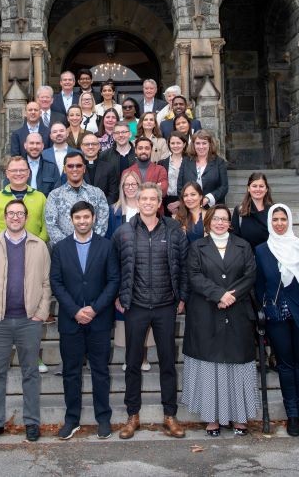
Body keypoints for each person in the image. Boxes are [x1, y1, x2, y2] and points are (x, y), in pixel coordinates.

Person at [112, 183, 188, 440]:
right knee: (132, 363)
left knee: (168, 362)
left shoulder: (175, 230)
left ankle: (170, 416)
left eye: (152, 199)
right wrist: (118, 296)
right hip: (136, 306)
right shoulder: (123, 232)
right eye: (143, 198)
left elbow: (184, 265)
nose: (147, 202)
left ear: (159, 203)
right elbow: (114, 269)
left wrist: (182, 297)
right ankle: (132, 416)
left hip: (166, 305)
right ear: (137, 201)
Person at [0, 199, 51, 445]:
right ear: (5, 217)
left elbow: (46, 283)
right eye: (11, 213)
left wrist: (40, 312)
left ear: (26, 217)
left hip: (29, 321)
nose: (15, 217)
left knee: (31, 373)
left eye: (20, 213)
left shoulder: (39, 245)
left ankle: (31, 422)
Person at [182, 204, 259, 436]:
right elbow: (194, 275)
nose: (219, 223)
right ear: (208, 222)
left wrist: (230, 296)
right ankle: (212, 418)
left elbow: (250, 275)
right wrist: (218, 294)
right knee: (210, 366)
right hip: (207, 312)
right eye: (215, 219)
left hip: (237, 312)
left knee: (237, 364)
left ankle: (239, 417)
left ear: (230, 223)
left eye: (224, 219)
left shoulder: (243, 246)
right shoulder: (197, 247)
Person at [50, 201, 120, 440]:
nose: (82, 221)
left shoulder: (106, 246)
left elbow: (113, 281)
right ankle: (72, 419)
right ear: (72, 220)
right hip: (71, 322)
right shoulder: (60, 248)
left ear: (93, 218)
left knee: (100, 371)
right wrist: (74, 310)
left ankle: (103, 418)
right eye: (77, 217)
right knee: (71, 372)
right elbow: (56, 283)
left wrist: (95, 308)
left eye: (86, 217)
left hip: (98, 320)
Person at [255, 204, 299, 438]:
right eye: (274, 219)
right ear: (269, 222)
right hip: (277, 318)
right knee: (285, 367)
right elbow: (260, 287)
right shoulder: (263, 250)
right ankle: (292, 416)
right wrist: (262, 312)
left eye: (283, 219)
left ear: (289, 221)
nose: (279, 223)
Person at [107, 171, 156, 371]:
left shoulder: (148, 208)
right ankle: (130, 357)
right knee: (128, 316)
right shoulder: (115, 210)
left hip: (148, 270)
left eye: (134, 183)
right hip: (123, 268)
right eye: (126, 184)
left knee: (145, 314)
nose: (130, 187)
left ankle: (143, 356)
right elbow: (111, 241)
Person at [45, 151, 109, 245]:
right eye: (70, 166)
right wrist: (69, 247)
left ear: (84, 168)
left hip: (93, 249)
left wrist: (89, 244)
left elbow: (102, 223)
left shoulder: (98, 193)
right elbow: (51, 226)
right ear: (64, 169)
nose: (74, 169)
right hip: (64, 251)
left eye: (78, 165)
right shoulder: (54, 196)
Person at [0, 156, 48, 242]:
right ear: (7, 174)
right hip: (3, 250)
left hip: (34, 249)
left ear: (28, 173)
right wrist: (0, 243)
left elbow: (47, 226)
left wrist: (37, 243)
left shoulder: (40, 197)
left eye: (22, 170)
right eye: (13, 170)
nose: (18, 173)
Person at [178, 129, 228, 208]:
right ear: (193, 145)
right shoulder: (186, 161)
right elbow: (180, 186)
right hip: (189, 207)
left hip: (213, 208)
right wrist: (189, 199)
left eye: (204, 143)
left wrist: (208, 198)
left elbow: (224, 187)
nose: (201, 147)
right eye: (198, 143)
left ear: (210, 144)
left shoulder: (219, 162)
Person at [121, 136, 168, 214]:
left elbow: (163, 191)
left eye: (147, 148)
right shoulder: (127, 172)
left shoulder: (160, 169)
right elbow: (125, 194)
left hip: (156, 214)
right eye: (140, 148)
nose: (143, 151)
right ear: (135, 150)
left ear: (151, 150)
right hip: (132, 212)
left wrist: (137, 190)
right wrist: (154, 187)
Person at [231, 172, 274, 250]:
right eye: (254, 186)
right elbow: (234, 237)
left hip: (269, 255)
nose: (258, 189)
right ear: (248, 188)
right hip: (247, 257)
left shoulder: (273, 210)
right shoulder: (239, 211)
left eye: (261, 186)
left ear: (266, 189)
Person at [81, 133, 119, 205]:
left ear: (99, 146)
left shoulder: (109, 168)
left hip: (104, 210)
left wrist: (100, 207)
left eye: (94, 144)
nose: (90, 147)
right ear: (82, 147)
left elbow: (113, 194)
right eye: (87, 144)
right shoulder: (76, 167)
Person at [158, 131, 189, 217]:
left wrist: (180, 202)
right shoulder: (162, 163)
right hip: (167, 203)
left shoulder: (191, 162)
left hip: (186, 201)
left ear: (184, 144)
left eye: (178, 143)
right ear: (169, 144)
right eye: (172, 143)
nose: (175, 146)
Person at [21, 133, 61, 197]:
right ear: (25, 145)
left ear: (42, 146)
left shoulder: (52, 167)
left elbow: (57, 193)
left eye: (38, 143)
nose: (35, 146)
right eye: (31, 143)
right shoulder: (16, 167)